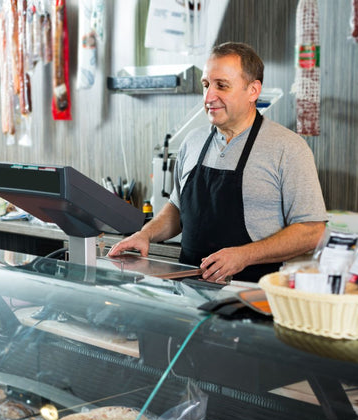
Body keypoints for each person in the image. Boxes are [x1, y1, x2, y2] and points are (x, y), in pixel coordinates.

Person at [108, 42, 327, 283]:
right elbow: (177, 209)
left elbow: (311, 231)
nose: (209, 96)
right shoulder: (192, 142)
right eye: (206, 85)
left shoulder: (288, 148)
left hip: (251, 295)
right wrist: (145, 235)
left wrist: (245, 255)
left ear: (253, 90)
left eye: (221, 85)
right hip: (187, 291)